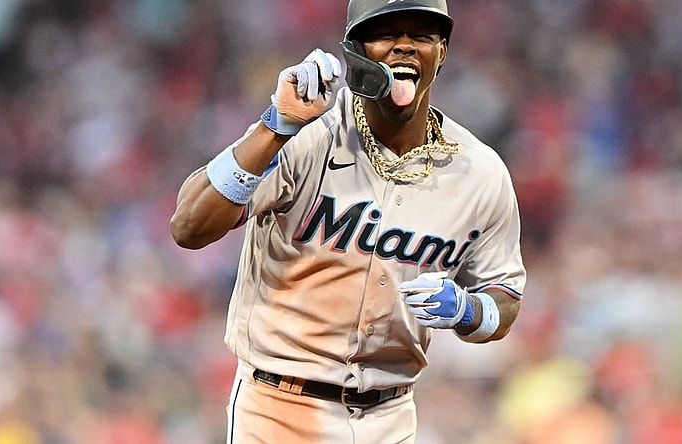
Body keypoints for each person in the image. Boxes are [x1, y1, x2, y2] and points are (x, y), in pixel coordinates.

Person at [170, 1, 526, 442]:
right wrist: (274, 128)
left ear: (443, 51)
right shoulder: (308, 135)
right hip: (280, 409)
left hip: (390, 416)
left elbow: (505, 295)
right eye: (385, 35)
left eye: (420, 35)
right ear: (355, 50)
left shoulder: (480, 172)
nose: (403, 48)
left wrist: (471, 310)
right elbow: (188, 226)